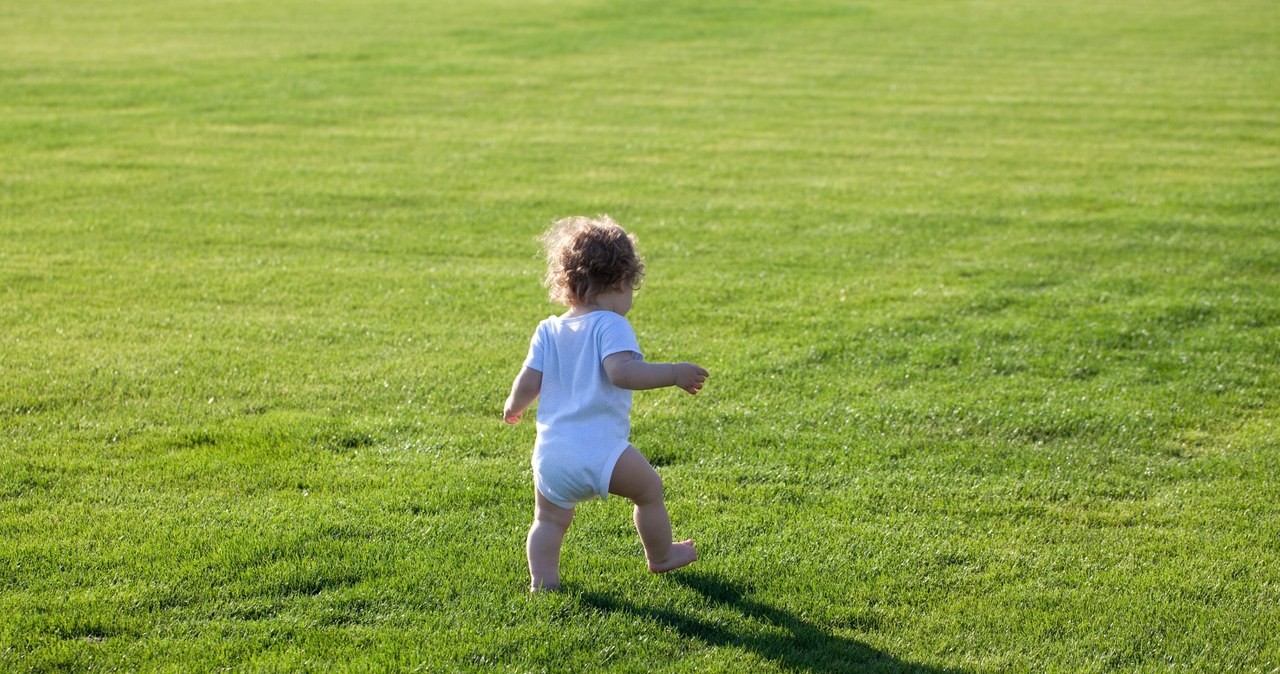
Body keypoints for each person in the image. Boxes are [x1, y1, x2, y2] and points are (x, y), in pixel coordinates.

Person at [503, 215, 708, 592]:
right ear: (619, 281)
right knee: (649, 492)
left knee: (548, 521)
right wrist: (674, 373)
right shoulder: (610, 324)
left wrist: (514, 406)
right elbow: (622, 373)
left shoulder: (548, 329)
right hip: (600, 449)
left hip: (551, 453)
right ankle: (661, 556)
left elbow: (528, 380)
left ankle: (543, 582)